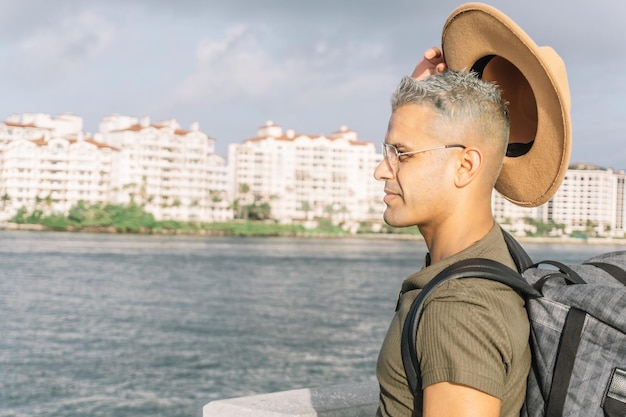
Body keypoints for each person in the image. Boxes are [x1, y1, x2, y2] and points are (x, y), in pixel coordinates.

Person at [373, 48, 531, 417]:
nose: (381, 170)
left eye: (401, 153)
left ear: (464, 166)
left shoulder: (459, 309)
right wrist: (421, 96)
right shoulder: (496, 255)